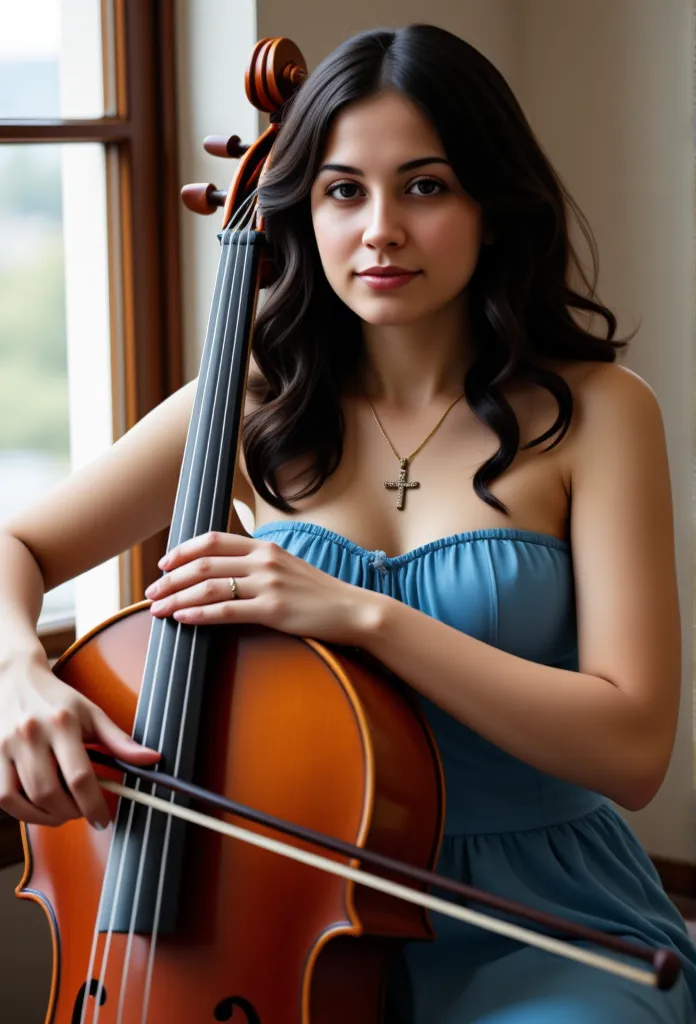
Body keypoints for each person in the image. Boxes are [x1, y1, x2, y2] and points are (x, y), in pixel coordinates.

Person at [0, 21, 695, 1023]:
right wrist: (19, 668)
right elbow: (15, 546)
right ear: (302, 210)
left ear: (493, 207)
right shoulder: (242, 403)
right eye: (342, 190)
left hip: (538, 911)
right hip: (279, 900)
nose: (380, 230)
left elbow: (633, 750)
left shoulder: (599, 413)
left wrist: (361, 614)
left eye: (425, 186)